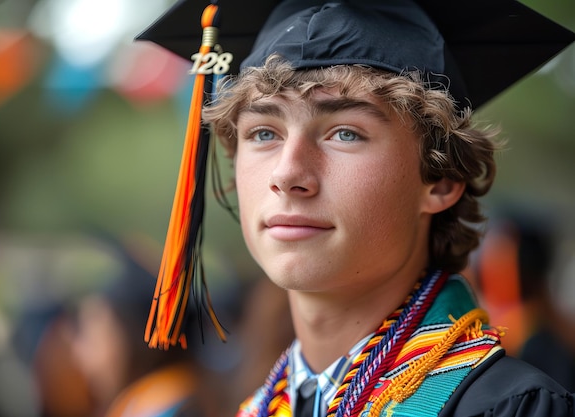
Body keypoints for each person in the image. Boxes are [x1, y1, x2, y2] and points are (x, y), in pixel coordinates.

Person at [135, 0, 575, 416]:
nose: (287, 174)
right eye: (264, 133)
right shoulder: (258, 407)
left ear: (441, 180)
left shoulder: (511, 407)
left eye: (345, 133)